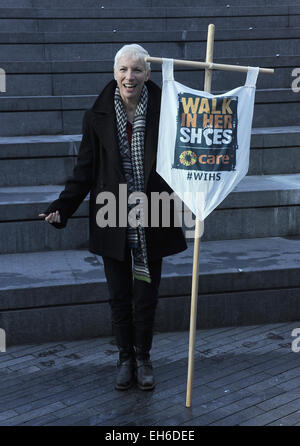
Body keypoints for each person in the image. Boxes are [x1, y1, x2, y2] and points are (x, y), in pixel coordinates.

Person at [39, 44, 187, 391]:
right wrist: (62, 207)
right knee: (119, 295)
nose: (129, 77)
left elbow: (184, 159)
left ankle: (144, 357)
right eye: (123, 70)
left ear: (148, 74)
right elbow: (85, 170)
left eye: (136, 70)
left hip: (155, 213)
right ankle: (125, 359)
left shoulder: (169, 111)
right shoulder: (96, 116)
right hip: (112, 212)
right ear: (114, 73)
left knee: (146, 296)